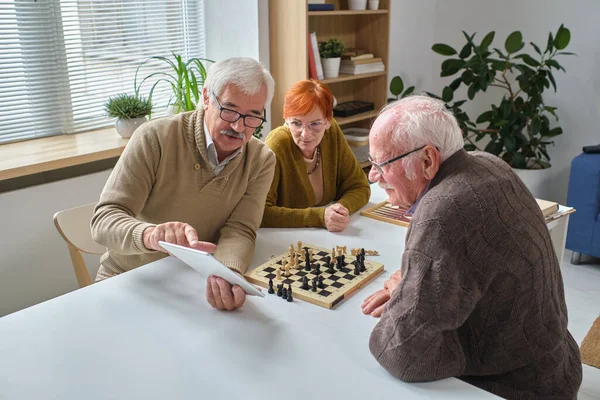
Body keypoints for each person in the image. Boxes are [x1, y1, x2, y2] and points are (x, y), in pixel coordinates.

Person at [361, 94, 582, 399]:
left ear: (427, 160)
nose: (373, 176)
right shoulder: (488, 162)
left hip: (513, 387)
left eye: (381, 163)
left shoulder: (442, 210)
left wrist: (405, 296)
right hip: (557, 366)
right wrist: (413, 287)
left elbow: (402, 352)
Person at [91, 57, 276, 311]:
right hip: (127, 279)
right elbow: (104, 220)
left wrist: (226, 272)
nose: (239, 126)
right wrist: (150, 235)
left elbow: (240, 229)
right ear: (207, 98)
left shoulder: (261, 160)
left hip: (193, 284)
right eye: (230, 110)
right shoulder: (155, 137)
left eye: (252, 117)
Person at [261, 80, 370, 232]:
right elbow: (261, 212)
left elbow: (360, 186)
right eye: (296, 123)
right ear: (286, 120)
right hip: (286, 239)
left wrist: (339, 210)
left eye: (315, 124)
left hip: (327, 236)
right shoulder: (278, 143)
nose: (305, 134)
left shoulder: (331, 133)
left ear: (328, 121)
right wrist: (320, 217)